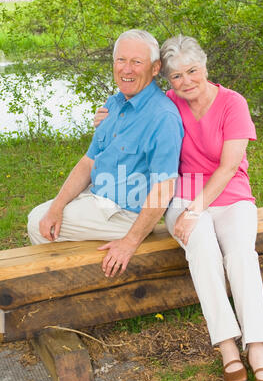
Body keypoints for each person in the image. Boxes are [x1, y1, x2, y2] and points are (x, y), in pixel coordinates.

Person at [94, 34, 263, 381]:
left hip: (230, 195)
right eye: (177, 76)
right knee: (203, 250)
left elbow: (227, 169)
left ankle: (257, 350)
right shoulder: (168, 104)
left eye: (192, 71)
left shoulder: (232, 103)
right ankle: (227, 346)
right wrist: (105, 113)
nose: (186, 81)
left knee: (241, 254)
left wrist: (196, 211)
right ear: (168, 79)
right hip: (181, 194)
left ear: (205, 67)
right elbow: (129, 106)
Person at [27, 29, 184, 278]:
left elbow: (164, 188)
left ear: (155, 68)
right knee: (47, 217)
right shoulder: (114, 104)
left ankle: (71, 288)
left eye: (136, 62)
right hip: (99, 198)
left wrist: (130, 241)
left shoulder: (162, 117)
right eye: (121, 60)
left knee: (37, 222)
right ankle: (70, 285)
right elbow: (88, 161)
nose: (127, 69)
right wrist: (57, 206)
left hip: (126, 213)